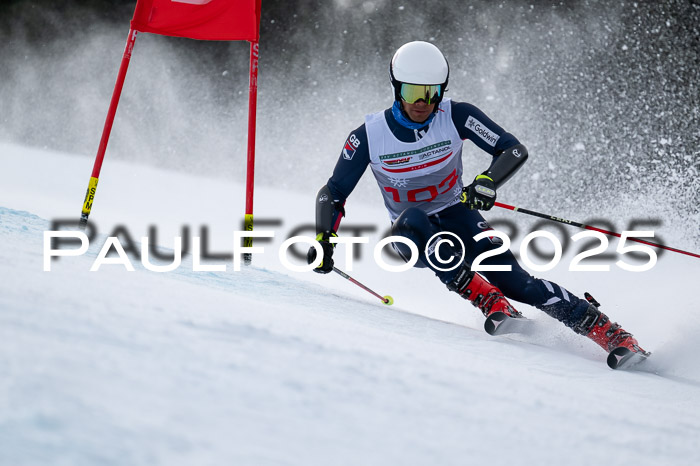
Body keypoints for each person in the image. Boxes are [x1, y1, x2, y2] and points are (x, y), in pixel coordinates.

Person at [307, 41, 648, 360]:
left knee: (518, 282)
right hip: (409, 235)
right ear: (396, 88)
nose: (423, 103)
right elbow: (333, 192)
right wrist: (324, 238)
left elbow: (512, 149)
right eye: (413, 92)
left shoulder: (456, 116)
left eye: (433, 93)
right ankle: (484, 297)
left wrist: (487, 180)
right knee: (413, 218)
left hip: (458, 214)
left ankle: (611, 333)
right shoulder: (369, 136)